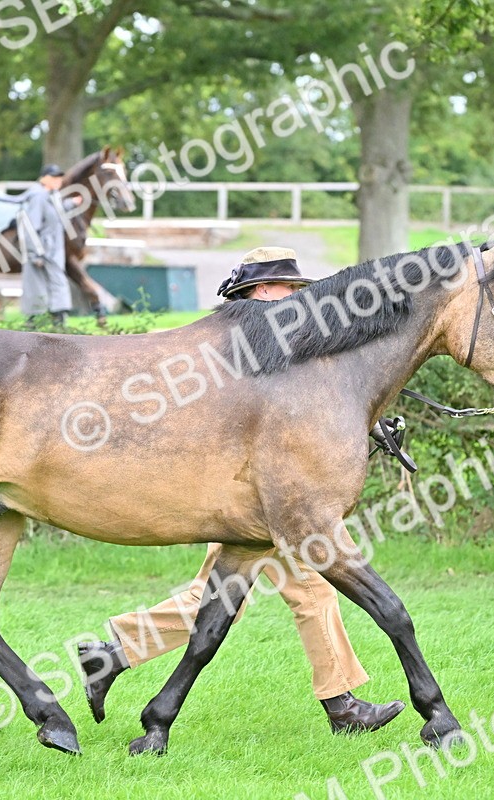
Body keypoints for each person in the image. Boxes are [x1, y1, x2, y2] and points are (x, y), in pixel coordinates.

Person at [77, 246, 406, 735]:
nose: (297, 296)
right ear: (263, 290)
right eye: (288, 288)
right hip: (252, 500)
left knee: (238, 599)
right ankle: (342, 707)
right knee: (289, 594)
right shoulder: (247, 346)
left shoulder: (275, 344)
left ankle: (110, 655)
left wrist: (369, 423)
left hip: (264, 499)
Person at [18, 164, 73, 326]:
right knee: (38, 287)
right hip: (42, 251)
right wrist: (35, 253)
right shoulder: (38, 197)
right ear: (44, 179)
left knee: (56, 284)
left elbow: (55, 212)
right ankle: (35, 323)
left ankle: (58, 321)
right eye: (54, 177)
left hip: (53, 251)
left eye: (59, 177)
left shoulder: (53, 196)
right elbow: (30, 227)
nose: (58, 180)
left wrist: (72, 203)